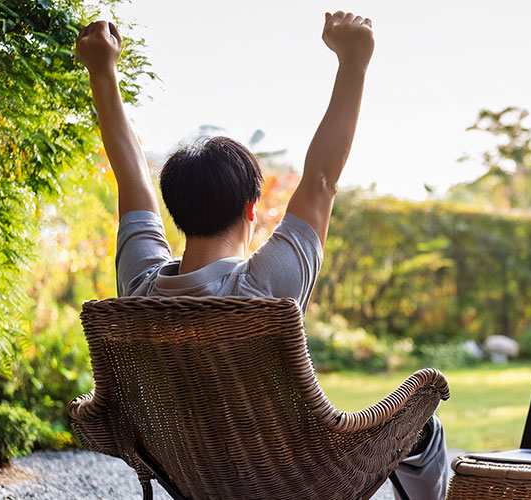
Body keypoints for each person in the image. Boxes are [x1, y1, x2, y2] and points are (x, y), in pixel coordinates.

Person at [75, 12, 448, 500]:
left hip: (197, 479)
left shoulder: (141, 289)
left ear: (176, 211)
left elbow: (131, 180)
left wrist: (100, 71)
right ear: (253, 207)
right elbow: (321, 180)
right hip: (304, 480)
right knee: (425, 433)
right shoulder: (265, 291)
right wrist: (355, 61)